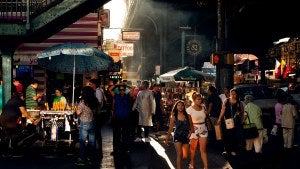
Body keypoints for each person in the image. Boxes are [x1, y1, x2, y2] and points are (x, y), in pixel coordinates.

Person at [164, 100, 194, 169]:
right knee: (179, 154)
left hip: (186, 137)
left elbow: (192, 128)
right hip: (177, 136)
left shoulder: (188, 116)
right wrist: (167, 140)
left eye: (182, 105)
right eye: (178, 105)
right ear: (176, 107)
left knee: (185, 156)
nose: (180, 107)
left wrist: (189, 134)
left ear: (184, 107)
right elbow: (170, 129)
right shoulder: (174, 117)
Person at [75, 86, 99, 166]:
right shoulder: (95, 101)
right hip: (92, 123)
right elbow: (97, 111)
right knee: (92, 142)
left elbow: (78, 113)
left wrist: (76, 108)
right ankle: (90, 158)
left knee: (82, 142)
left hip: (84, 123)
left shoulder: (82, 102)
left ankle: (82, 159)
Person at [217, 88, 244, 156]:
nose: (233, 95)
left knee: (234, 136)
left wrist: (241, 117)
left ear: (237, 94)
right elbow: (222, 110)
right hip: (227, 122)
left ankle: (233, 149)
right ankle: (226, 150)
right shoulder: (226, 101)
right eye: (231, 93)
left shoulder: (239, 102)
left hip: (236, 122)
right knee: (226, 136)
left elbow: (242, 112)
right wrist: (219, 119)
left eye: (234, 94)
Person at [109, 83, 133, 155]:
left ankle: (125, 149)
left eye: (123, 89)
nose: (122, 91)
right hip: (117, 118)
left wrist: (126, 84)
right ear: (119, 90)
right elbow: (110, 89)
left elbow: (133, 88)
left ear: (125, 90)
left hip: (126, 118)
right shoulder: (116, 96)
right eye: (120, 90)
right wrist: (116, 85)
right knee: (116, 135)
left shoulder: (128, 96)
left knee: (125, 135)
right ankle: (116, 150)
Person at [186, 92, 208, 169]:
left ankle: (206, 167)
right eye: (198, 99)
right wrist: (191, 130)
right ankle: (191, 162)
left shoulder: (203, 107)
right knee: (192, 149)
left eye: (200, 99)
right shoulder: (189, 109)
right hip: (194, 129)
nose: (200, 101)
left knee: (203, 149)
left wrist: (206, 112)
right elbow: (189, 122)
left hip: (203, 128)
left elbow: (206, 116)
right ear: (194, 100)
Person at [243, 95, 264, 168]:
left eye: (245, 99)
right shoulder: (257, 107)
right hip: (259, 127)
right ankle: (258, 158)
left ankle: (250, 160)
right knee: (258, 143)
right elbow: (260, 116)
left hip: (250, 128)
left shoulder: (246, 107)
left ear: (247, 100)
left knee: (249, 143)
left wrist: (241, 122)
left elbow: (245, 117)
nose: (244, 101)